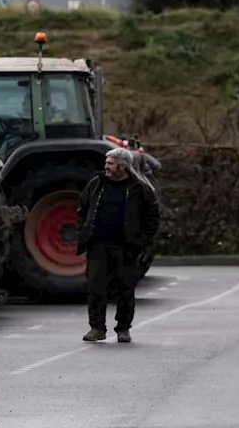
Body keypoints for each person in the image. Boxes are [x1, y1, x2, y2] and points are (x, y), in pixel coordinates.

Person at [76, 147, 161, 343]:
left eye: (110, 163)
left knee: (125, 290)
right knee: (95, 288)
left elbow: (153, 218)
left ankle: (123, 329)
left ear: (122, 166)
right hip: (98, 247)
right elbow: (82, 209)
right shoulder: (96, 184)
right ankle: (97, 328)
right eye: (106, 162)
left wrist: (141, 242)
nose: (105, 166)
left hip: (126, 248)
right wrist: (84, 231)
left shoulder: (140, 189)